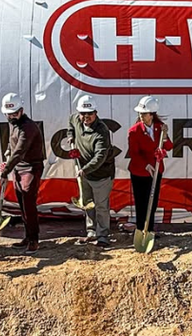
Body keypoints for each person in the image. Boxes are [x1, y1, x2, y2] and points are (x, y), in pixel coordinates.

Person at [66, 95, 116, 248]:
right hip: (83, 172)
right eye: (83, 114)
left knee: (101, 205)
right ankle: (91, 231)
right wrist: (71, 136)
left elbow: (100, 156)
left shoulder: (102, 132)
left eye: (89, 114)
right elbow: (70, 124)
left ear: (96, 113)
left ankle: (103, 235)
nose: (86, 117)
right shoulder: (76, 119)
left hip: (101, 175)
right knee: (88, 203)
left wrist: (84, 170)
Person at [0, 92, 46, 254]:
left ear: (22, 110)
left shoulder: (28, 127)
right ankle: (28, 235)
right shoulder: (13, 122)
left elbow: (19, 150)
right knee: (21, 202)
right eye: (9, 114)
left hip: (32, 167)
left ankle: (34, 239)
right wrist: (7, 155)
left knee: (28, 200)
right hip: (18, 167)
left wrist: (6, 171)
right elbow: (12, 145)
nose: (12, 116)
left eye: (15, 113)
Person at [127, 95, 174, 238]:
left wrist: (165, 136)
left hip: (156, 170)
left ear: (151, 114)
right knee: (141, 202)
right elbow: (134, 153)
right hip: (139, 171)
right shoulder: (134, 131)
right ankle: (141, 230)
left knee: (152, 202)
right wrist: (146, 165)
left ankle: (150, 229)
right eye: (140, 113)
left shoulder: (160, 128)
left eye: (144, 113)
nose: (141, 116)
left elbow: (169, 146)